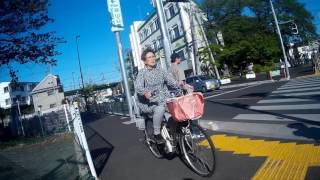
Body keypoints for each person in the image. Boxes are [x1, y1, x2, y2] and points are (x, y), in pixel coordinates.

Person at [135, 48, 180, 143]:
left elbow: (170, 80)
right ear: (145, 61)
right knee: (160, 108)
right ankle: (156, 133)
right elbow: (138, 87)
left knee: (176, 110)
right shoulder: (142, 73)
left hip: (164, 97)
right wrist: (145, 92)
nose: (152, 59)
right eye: (149, 57)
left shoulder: (161, 69)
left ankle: (175, 135)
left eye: (153, 56)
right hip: (149, 101)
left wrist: (181, 84)